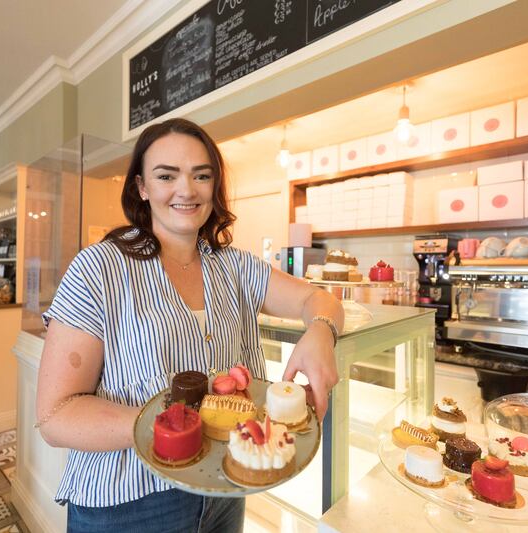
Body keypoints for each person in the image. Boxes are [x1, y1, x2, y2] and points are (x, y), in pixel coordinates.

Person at [36, 118, 344, 533]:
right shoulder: (98, 268)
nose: (187, 190)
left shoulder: (234, 266)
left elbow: (317, 298)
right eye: (167, 176)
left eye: (202, 176)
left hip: (223, 489)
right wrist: (172, 429)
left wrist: (321, 330)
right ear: (142, 188)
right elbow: (56, 415)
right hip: (128, 501)